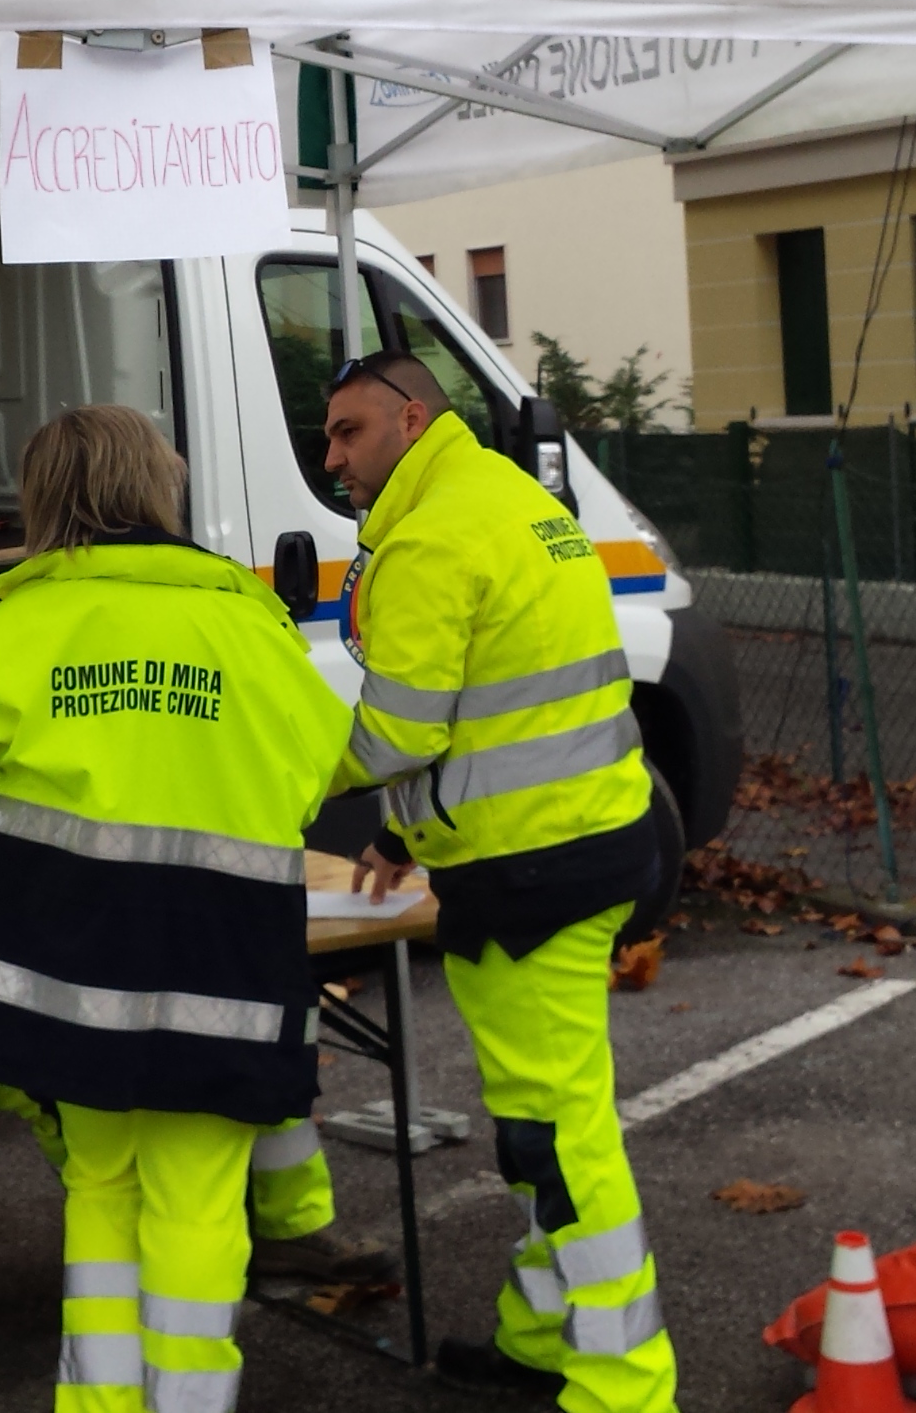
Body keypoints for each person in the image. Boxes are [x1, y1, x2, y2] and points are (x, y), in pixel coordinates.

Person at [0, 405, 351, 1413]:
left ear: (42, 499)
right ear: (160, 487)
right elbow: (324, 772)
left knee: (101, 1191)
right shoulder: (249, 622)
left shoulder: (19, 622)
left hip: (71, 982)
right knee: (199, 1208)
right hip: (226, 968)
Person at [325, 353, 675, 1411]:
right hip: (591, 840)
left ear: (409, 419)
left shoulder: (431, 536)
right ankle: (541, 1338)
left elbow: (397, 733)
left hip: (530, 873)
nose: (333, 457)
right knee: (540, 1125)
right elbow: (498, 705)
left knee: (563, 1135)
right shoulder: (513, 498)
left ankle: (623, 1387)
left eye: (348, 432)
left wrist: (272, 773)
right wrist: (404, 835)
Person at [0, 697, 391, 1285]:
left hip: (97, 956)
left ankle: (284, 1229)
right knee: (77, 1087)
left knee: (248, 1041)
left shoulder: (103, 716)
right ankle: (136, 1237)